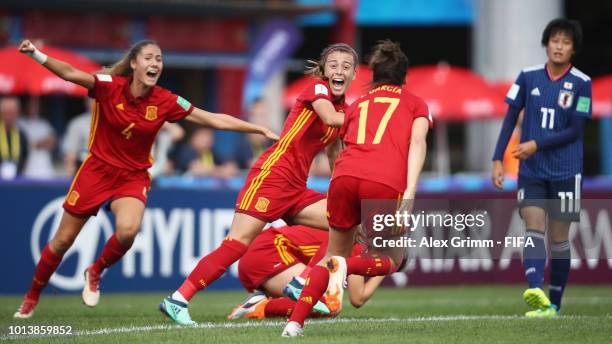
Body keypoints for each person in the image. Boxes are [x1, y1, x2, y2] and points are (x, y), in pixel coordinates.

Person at [13, 39, 278, 319]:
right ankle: (31, 298)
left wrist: (258, 128)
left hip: (133, 175)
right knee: (62, 241)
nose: (155, 64)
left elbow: (211, 119)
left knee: (128, 231)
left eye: (159, 59)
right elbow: (68, 72)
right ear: (134, 64)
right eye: (149, 58)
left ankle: (95, 271)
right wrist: (36, 54)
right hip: (96, 171)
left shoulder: (165, 100)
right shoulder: (108, 85)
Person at [159, 43, 358, 325]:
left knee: (346, 223)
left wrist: (343, 189)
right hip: (272, 175)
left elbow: (335, 154)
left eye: (346, 66)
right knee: (237, 243)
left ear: (353, 74)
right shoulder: (319, 91)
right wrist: (368, 114)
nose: (339, 70)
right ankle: (178, 299)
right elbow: (328, 118)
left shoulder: (344, 110)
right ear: (324, 70)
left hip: (295, 188)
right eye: (334, 65)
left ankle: (301, 281)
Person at [282, 40, 432, 337]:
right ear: (405, 77)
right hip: (383, 181)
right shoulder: (415, 103)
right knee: (393, 258)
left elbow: (338, 147)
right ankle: (346, 267)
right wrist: (410, 193)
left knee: (330, 256)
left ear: (372, 76)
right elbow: (417, 143)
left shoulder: (357, 105)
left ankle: (294, 323)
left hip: (343, 178)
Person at [491, 18, 591, 318]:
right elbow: (510, 118)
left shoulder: (582, 83)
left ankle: (555, 304)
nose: (559, 46)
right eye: (555, 40)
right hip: (532, 170)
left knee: (559, 239)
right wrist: (497, 158)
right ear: (546, 43)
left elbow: (576, 129)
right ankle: (536, 289)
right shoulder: (527, 76)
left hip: (566, 170)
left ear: (573, 49)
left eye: (566, 42)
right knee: (533, 228)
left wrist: (537, 144)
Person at [227, 225, 386, 320]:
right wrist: (387, 267)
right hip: (269, 252)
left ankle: (263, 299)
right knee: (330, 306)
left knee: (319, 298)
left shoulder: (348, 225)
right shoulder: (357, 240)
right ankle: (261, 306)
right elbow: (358, 297)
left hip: (261, 251)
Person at [18, 96, 57, 179]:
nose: (33, 108)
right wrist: (36, 144)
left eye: (36, 105)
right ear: (26, 106)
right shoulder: (20, 122)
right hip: (27, 166)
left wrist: (37, 144)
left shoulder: (44, 123)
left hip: (44, 167)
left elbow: (52, 142)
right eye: (31, 105)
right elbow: (24, 144)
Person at [62, 98, 93, 176]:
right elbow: (70, 152)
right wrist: (70, 171)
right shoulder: (78, 123)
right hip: (85, 168)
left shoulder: (112, 120)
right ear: (86, 102)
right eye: (92, 99)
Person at [0, 96, 29, 179]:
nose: (8, 117)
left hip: (17, 180)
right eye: (6, 113)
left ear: (17, 113)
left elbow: (25, 157)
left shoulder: (22, 134)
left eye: (11, 113)